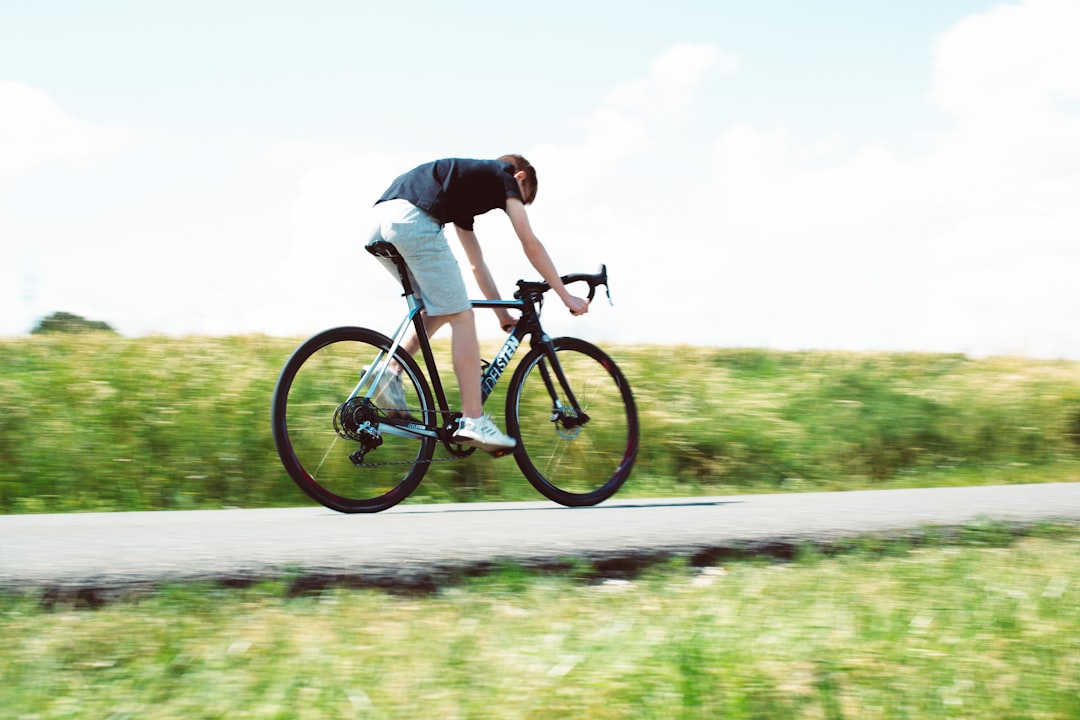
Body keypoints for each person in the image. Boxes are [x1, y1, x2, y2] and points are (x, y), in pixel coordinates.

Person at [365, 155, 590, 452]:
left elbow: (476, 263)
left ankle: (389, 371)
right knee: (463, 317)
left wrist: (501, 315)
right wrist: (566, 296)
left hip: (380, 221)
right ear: (520, 177)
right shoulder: (505, 173)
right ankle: (474, 419)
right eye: (522, 199)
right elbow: (530, 243)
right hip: (412, 221)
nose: (515, 206)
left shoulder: (464, 193)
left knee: (437, 306)